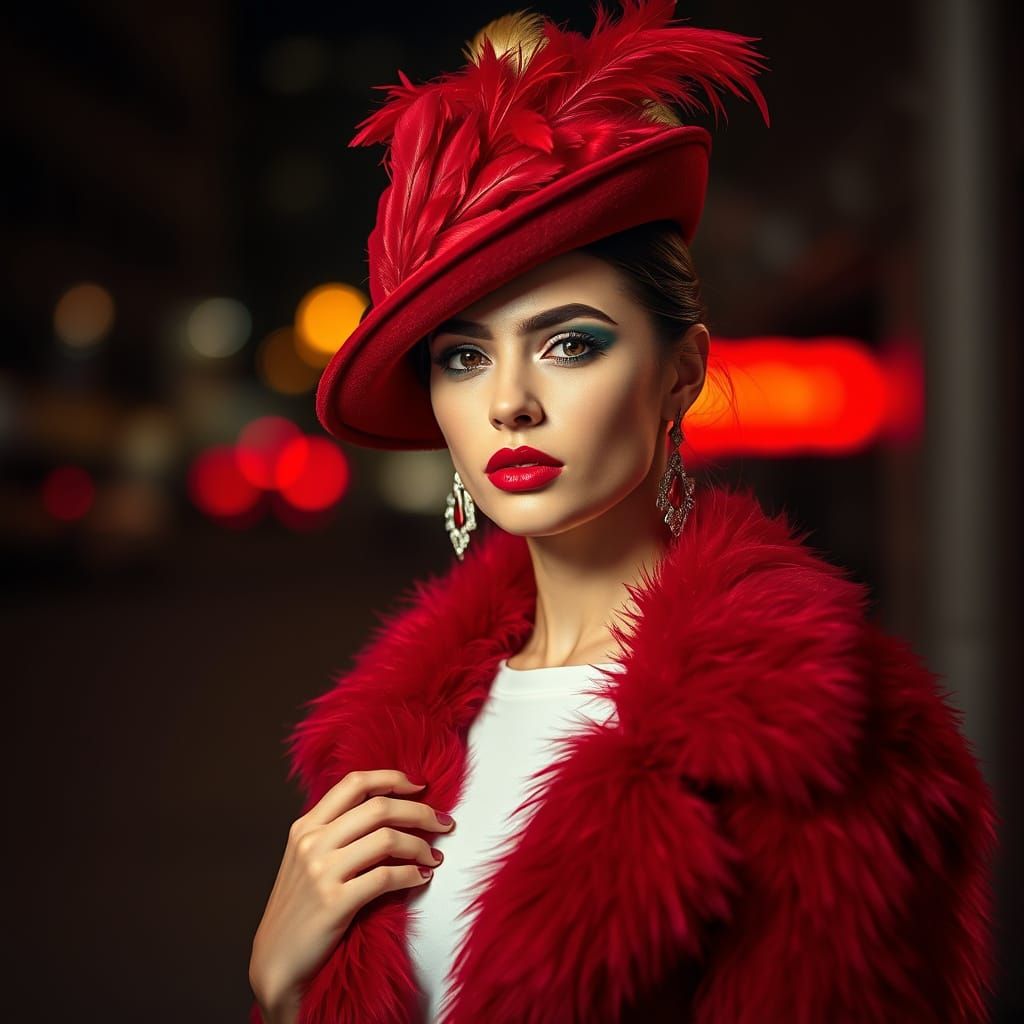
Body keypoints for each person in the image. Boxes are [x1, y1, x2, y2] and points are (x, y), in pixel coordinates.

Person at [248, 3, 998, 1023]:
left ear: (678, 373)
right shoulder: (392, 748)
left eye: (570, 342)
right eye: (464, 355)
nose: (509, 398)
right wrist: (285, 989)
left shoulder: (827, 747)